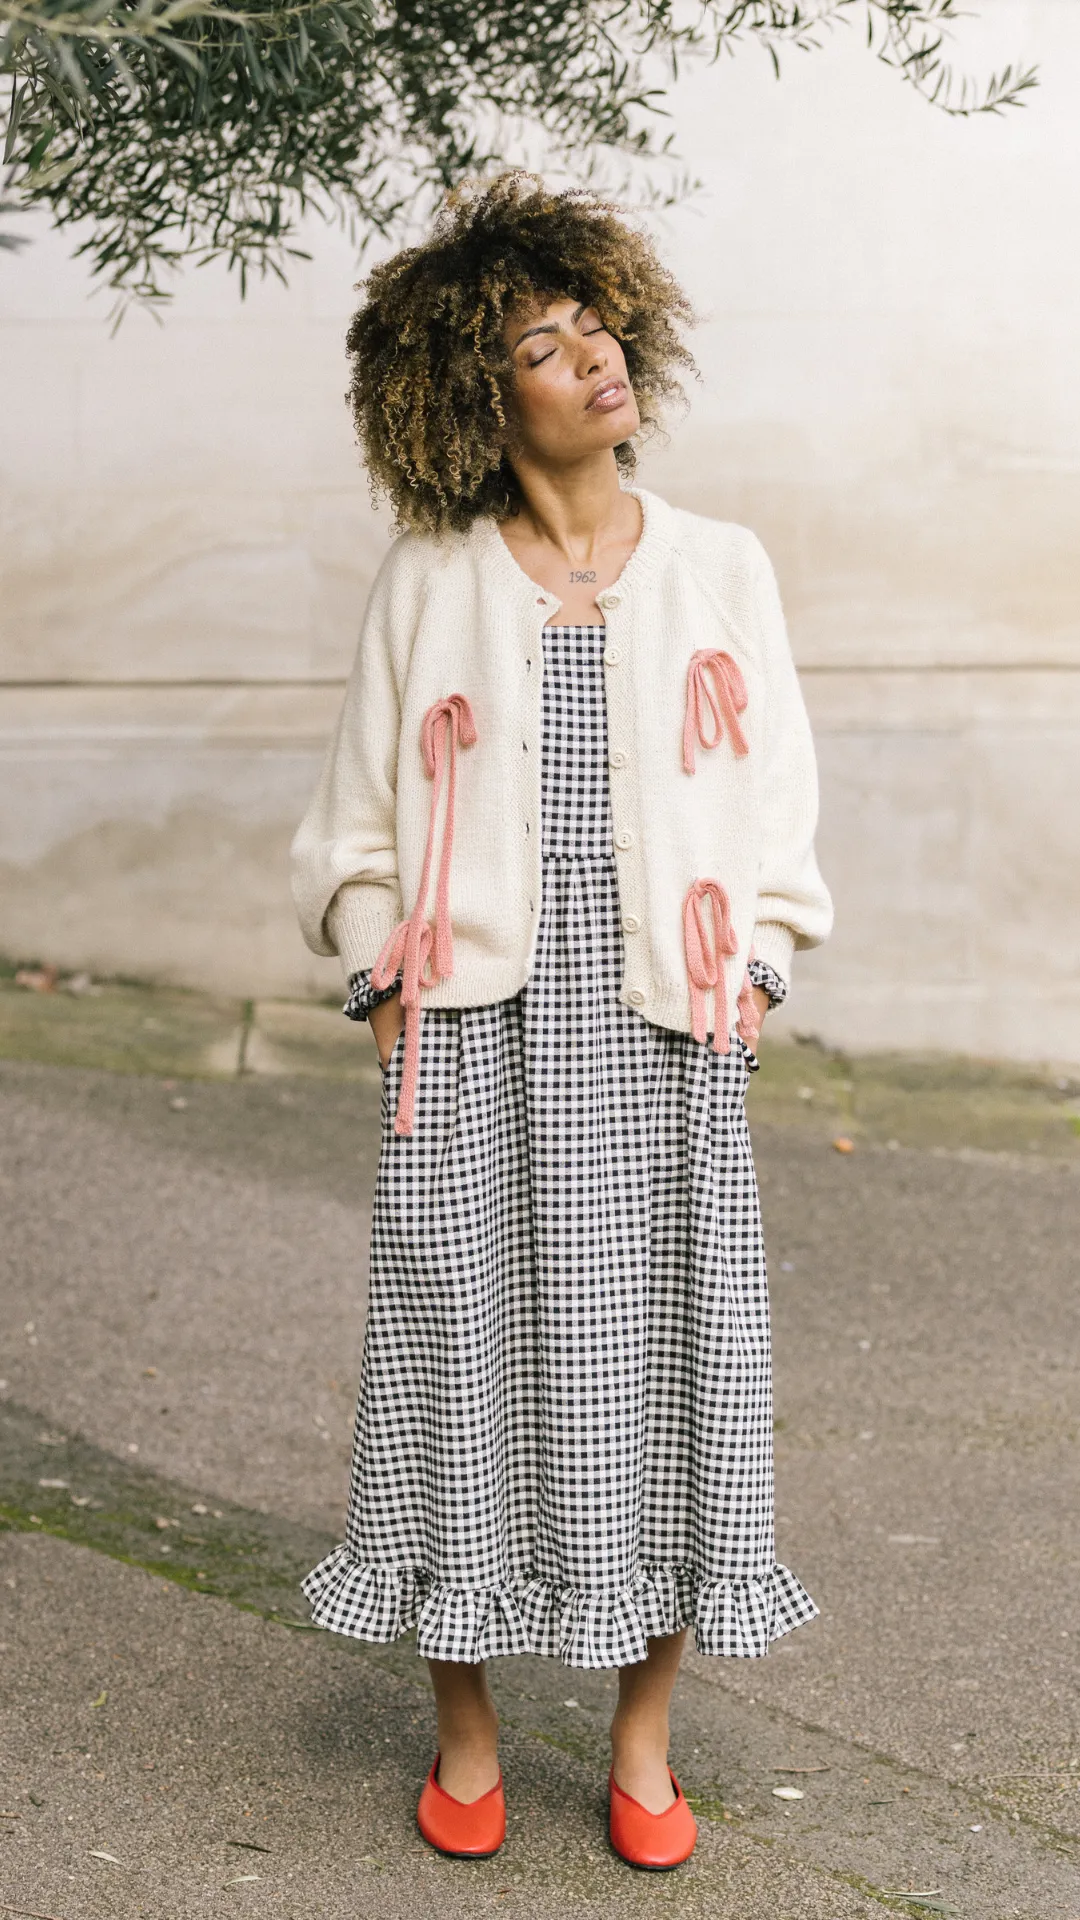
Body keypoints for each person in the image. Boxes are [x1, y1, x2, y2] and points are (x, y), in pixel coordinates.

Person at [290, 170, 832, 1871]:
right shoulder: (431, 574)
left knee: (677, 1374)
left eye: (598, 322)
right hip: (477, 1039)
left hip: (666, 1031)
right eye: (544, 339)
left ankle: (645, 1743)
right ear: (476, 389)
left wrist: (758, 970)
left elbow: (781, 806)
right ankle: (464, 1736)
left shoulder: (723, 565)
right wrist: (382, 981)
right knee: (459, 1364)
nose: (591, 355)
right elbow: (356, 823)